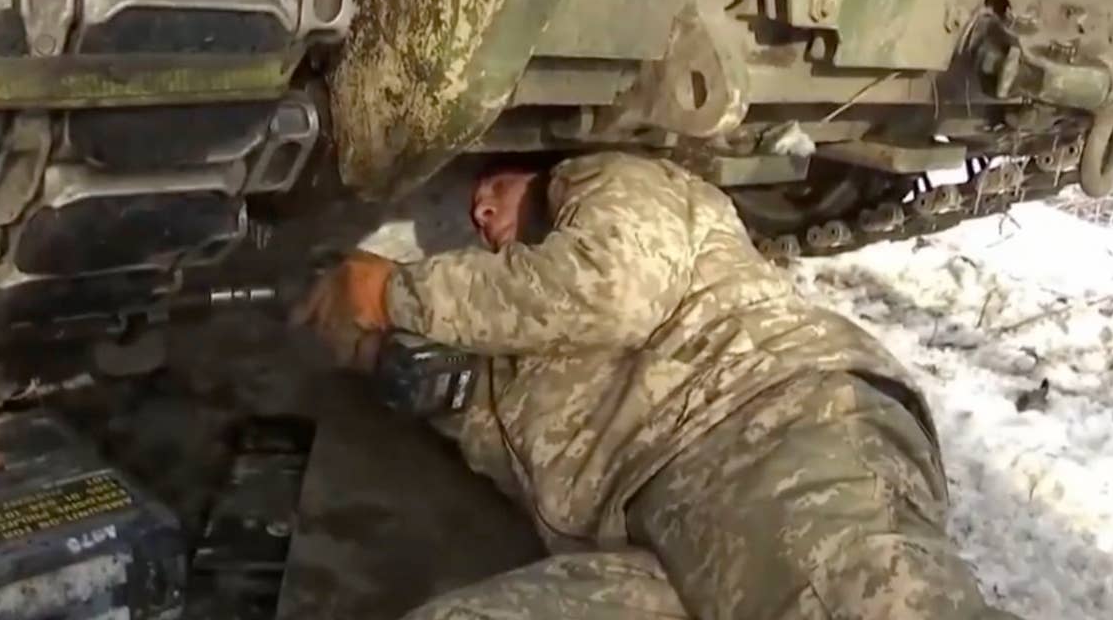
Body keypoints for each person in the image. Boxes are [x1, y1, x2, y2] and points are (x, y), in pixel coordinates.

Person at [294, 152, 1018, 619]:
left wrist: (400, 293)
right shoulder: (518, 338)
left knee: (859, 602)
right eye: (474, 219)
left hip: (763, 436)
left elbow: (610, 288)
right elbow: (521, 426)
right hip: (658, 536)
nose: (481, 216)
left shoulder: (617, 184)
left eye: (493, 190)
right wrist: (395, 364)